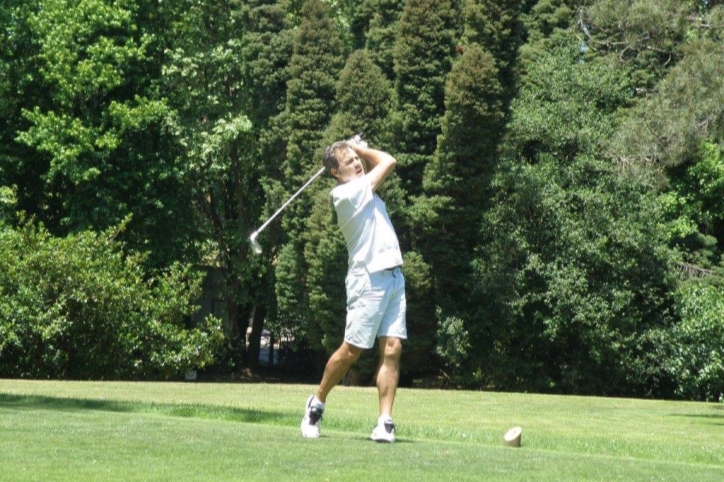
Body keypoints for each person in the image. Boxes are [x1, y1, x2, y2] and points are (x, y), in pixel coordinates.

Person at [301, 137, 407, 443]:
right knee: (352, 351)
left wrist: (356, 150)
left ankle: (384, 421)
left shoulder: (363, 189)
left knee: (392, 348)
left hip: (393, 276)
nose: (358, 163)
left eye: (357, 159)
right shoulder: (345, 194)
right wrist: (361, 147)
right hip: (368, 279)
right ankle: (317, 403)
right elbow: (388, 161)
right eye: (349, 162)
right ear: (335, 172)